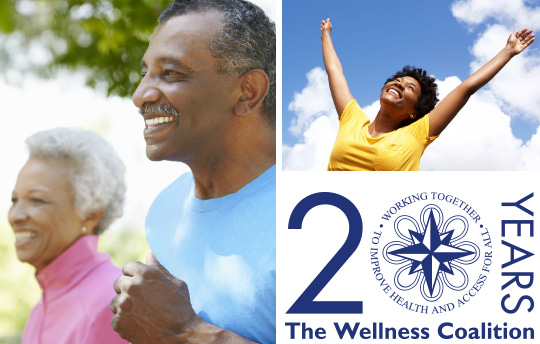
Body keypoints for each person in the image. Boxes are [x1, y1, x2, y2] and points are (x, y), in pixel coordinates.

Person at [109, 0, 276, 343]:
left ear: (248, 92)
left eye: (171, 73)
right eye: (145, 73)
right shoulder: (165, 210)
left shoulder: (325, 210)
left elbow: (172, 330)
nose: (140, 95)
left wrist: (186, 332)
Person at [321, 18, 535, 171]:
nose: (399, 84)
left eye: (410, 88)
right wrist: (326, 35)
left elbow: (466, 88)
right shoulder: (352, 120)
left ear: (414, 112)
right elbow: (335, 71)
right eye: (398, 80)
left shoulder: (415, 135)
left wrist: (507, 51)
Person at [8, 128, 128, 344]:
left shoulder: (109, 304)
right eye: (14, 200)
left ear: (90, 214)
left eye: (36, 200)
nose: (14, 215)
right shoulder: (43, 307)